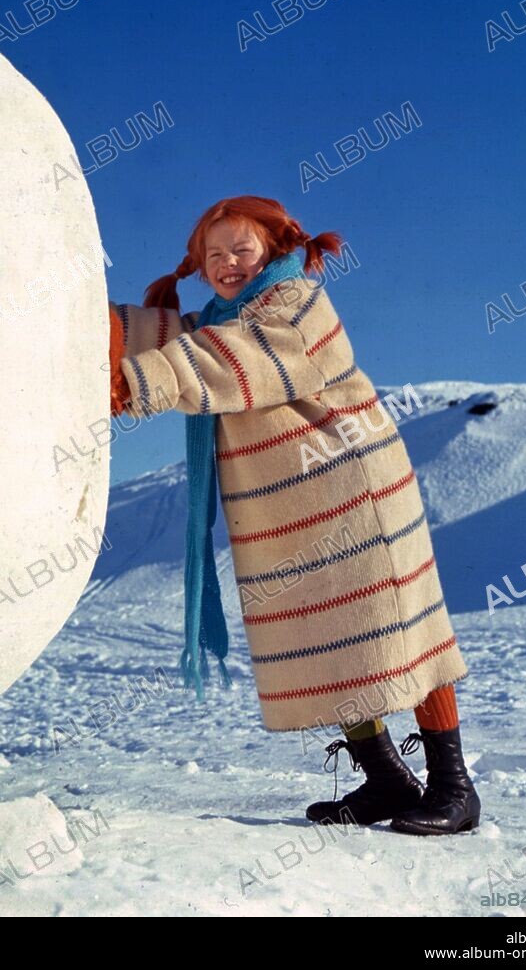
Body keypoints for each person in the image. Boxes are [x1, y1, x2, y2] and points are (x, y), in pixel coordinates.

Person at [107, 195, 480, 836]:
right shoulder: (223, 319)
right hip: (296, 513)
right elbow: (171, 334)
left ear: (276, 248)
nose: (226, 262)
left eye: (240, 249)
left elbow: (241, 358)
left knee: (402, 633)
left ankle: (454, 785)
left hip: (359, 496)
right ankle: (387, 778)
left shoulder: (298, 308)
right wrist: (81, 318)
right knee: (332, 640)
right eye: (212, 254)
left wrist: (132, 383)